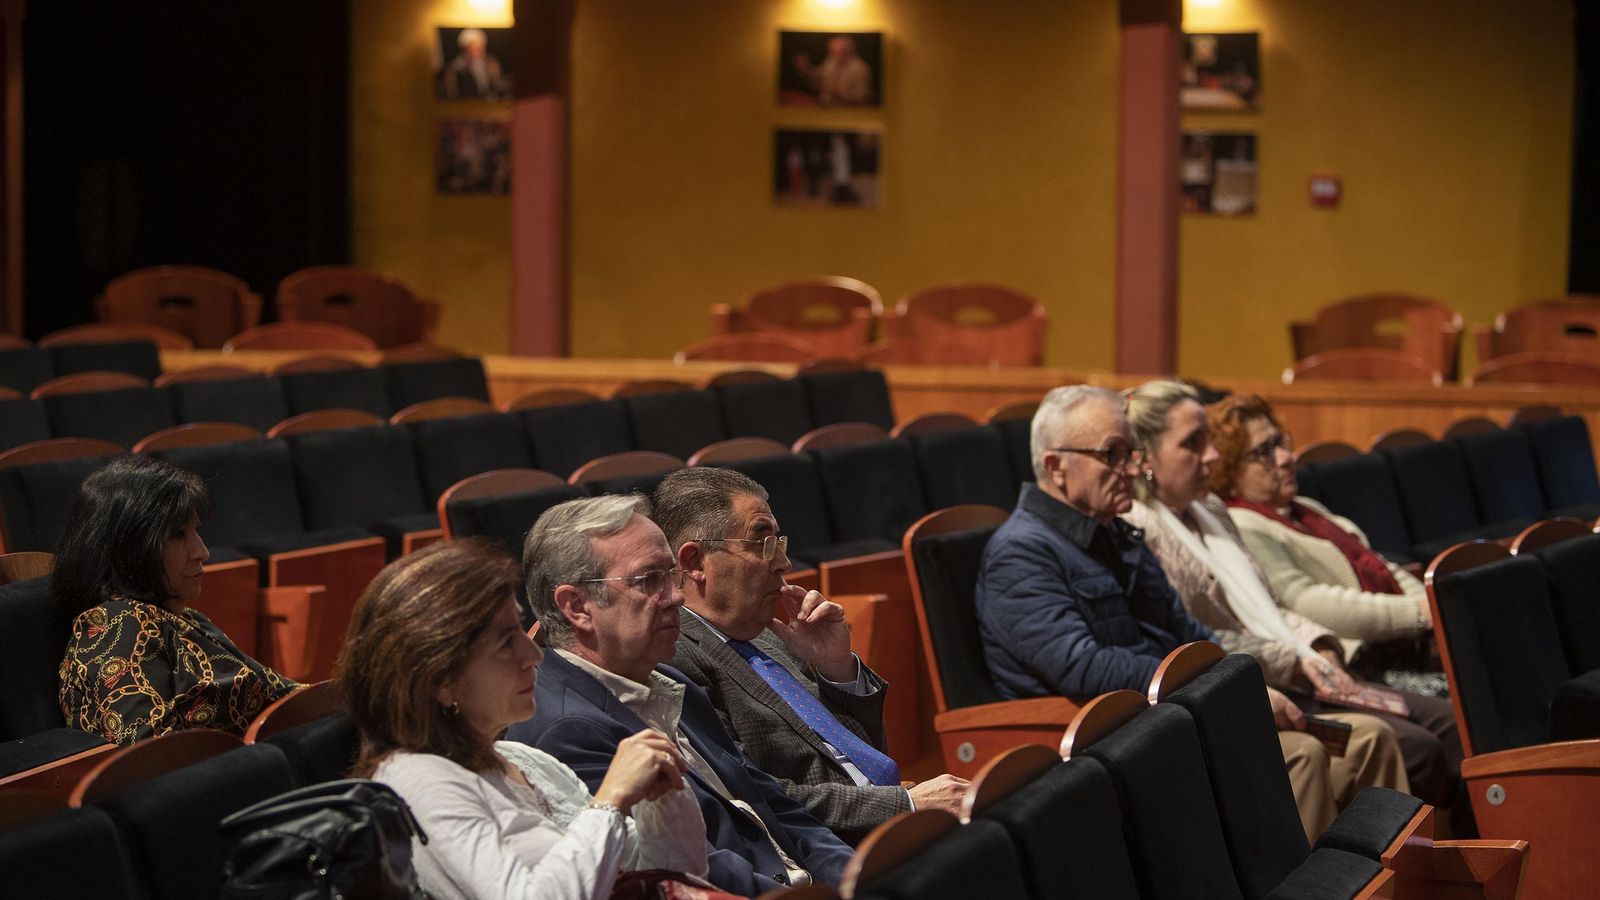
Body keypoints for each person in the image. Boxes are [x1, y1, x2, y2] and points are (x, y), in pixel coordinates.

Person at [507, 495, 854, 897]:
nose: (676, 597)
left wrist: (855, 876)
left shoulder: (669, 680)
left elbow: (775, 805)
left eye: (671, 575)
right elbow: (685, 872)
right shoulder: (568, 729)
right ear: (577, 606)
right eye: (648, 580)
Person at [341, 540, 707, 900]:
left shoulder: (523, 760)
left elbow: (674, 875)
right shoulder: (419, 779)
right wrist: (610, 800)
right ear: (439, 679)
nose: (533, 654)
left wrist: (662, 801)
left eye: (520, 630)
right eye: (506, 642)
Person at [1121, 381, 1410, 838]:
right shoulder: (1138, 529)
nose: (1211, 457)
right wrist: (1290, 660)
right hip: (1236, 686)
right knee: (1363, 743)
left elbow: (1269, 603)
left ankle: (1390, 879)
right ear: (1146, 457)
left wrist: (1317, 645)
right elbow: (1193, 640)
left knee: (1378, 738)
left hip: (1276, 672)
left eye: (1209, 442)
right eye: (1192, 445)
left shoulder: (1209, 510)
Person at [651, 468, 969, 844]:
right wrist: (904, 806)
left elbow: (862, 759)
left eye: (780, 543)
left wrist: (837, 669)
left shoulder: (769, 634)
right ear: (694, 562)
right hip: (827, 851)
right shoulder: (673, 660)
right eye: (762, 543)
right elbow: (754, 797)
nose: (784, 563)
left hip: (886, 822)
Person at [1203, 393, 1462, 808]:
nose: (1286, 458)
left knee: (1482, 684)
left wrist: (1428, 603)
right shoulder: (1244, 524)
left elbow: (1383, 567)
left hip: (1393, 646)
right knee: (1453, 719)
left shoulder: (1304, 508)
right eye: (1264, 452)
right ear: (1229, 471)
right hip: (1358, 660)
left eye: (1281, 442)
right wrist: (1420, 613)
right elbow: (1311, 602)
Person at [56, 456, 296, 745]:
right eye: (177, 536)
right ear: (130, 547)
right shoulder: (116, 626)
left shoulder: (186, 617)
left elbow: (282, 695)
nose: (202, 551)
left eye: (196, 531)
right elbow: (149, 754)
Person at [792, 35, 874, 106]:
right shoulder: (832, 60)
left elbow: (863, 99)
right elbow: (819, 79)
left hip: (846, 113)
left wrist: (838, 93)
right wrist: (806, 68)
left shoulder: (861, 69)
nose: (831, 54)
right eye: (831, 50)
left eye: (835, 51)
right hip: (824, 108)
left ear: (848, 50)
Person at [442, 27, 509, 101]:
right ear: (464, 49)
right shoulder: (455, 68)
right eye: (473, 48)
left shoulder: (491, 63)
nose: (477, 51)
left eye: (479, 47)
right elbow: (451, 92)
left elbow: (498, 84)